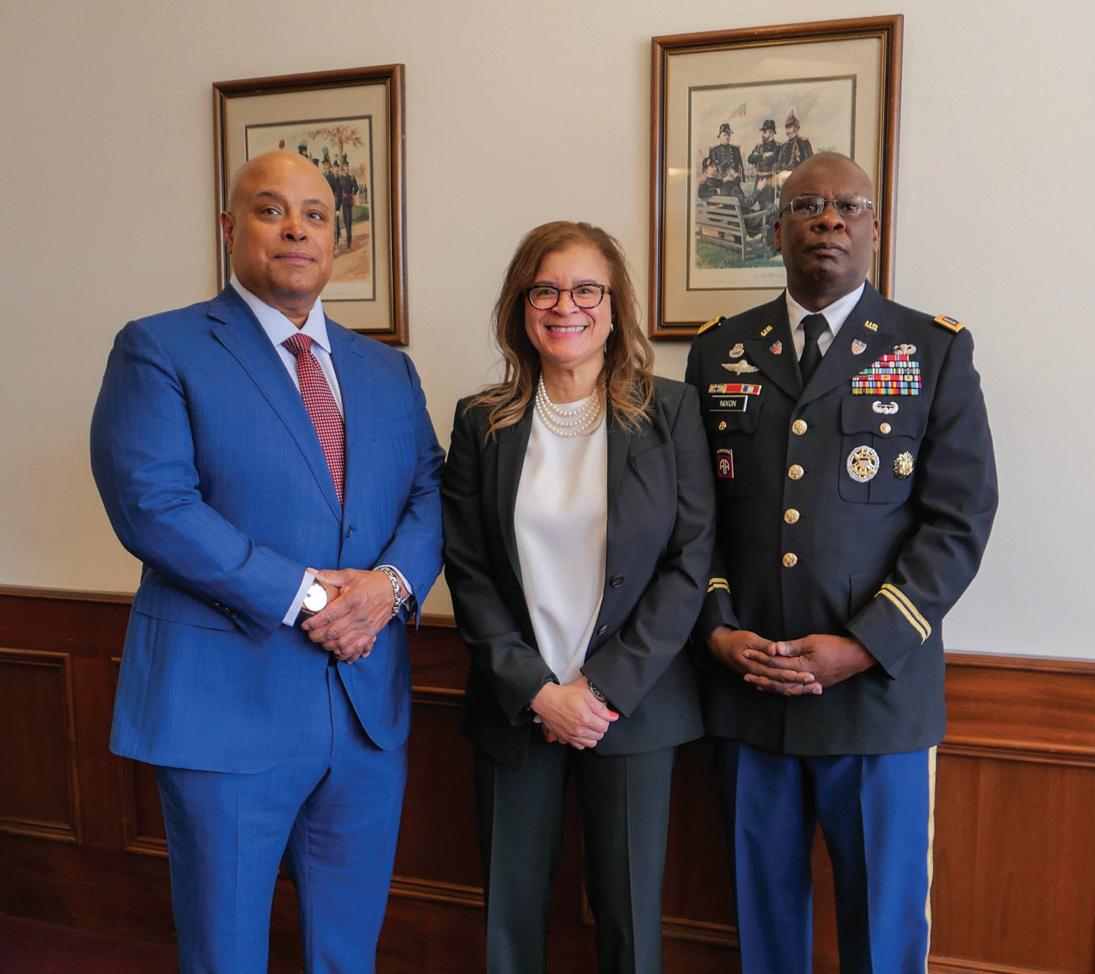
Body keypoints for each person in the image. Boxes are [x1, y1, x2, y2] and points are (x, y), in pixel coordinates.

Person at [90, 150, 444, 974]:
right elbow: (153, 505)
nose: (295, 229)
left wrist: (389, 587)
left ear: (335, 238)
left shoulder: (387, 369)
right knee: (227, 953)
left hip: (365, 709)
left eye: (315, 215)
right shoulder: (159, 347)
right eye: (270, 209)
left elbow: (431, 492)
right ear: (229, 227)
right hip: (225, 710)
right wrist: (310, 596)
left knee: (347, 952)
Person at [685, 152, 997, 973]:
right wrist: (716, 631)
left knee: (883, 938)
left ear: (873, 229)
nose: (828, 220)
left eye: (848, 207)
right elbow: (695, 518)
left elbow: (958, 519)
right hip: (750, 693)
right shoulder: (719, 352)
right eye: (807, 205)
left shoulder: (929, 349)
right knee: (762, 930)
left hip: (876, 701)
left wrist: (863, 645)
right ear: (775, 228)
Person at [443, 221, 714, 974]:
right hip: (515, 704)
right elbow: (467, 568)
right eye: (546, 291)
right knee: (510, 920)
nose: (566, 306)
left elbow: (689, 562)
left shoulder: (670, 411)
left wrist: (599, 691)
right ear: (520, 307)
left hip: (632, 706)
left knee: (630, 923)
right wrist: (537, 690)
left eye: (587, 289)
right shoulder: (480, 421)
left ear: (614, 306)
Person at [746, 119, 782, 209]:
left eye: (765, 132)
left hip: (769, 181)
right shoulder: (759, 146)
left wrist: (758, 158)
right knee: (759, 203)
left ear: (771, 132)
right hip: (758, 179)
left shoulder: (778, 146)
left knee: (768, 206)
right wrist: (763, 156)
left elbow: (773, 159)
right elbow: (750, 159)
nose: (762, 134)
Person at [709, 122, 745, 200]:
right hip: (722, 185)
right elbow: (711, 171)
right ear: (719, 136)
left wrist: (741, 180)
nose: (727, 137)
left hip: (735, 184)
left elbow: (740, 166)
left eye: (729, 135)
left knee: (741, 200)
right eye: (725, 134)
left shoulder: (736, 150)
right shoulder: (714, 151)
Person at [338, 161, 359, 250]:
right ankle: (345, 237)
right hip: (343, 201)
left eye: (347, 167)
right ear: (343, 168)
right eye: (345, 167)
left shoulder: (351, 178)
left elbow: (356, 187)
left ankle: (349, 241)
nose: (346, 168)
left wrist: (352, 195)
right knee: (345, 222)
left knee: (348, 221)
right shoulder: (340, 178)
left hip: (349, 201)